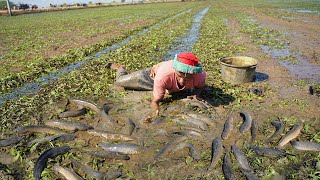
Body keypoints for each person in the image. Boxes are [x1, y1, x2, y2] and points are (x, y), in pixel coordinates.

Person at [108, 52, 206, 116]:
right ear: (175, 69)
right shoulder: (163, 76)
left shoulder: (199, 76)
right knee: (120, 81)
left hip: (167, 83)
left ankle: (169, 87)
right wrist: (156, 112)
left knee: (170, 88)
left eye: (188, 77)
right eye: (179, 75)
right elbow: (155, 101)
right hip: (151, 78)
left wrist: (196, 95)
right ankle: (120, 68)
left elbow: (199, 88)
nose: (182, 80)